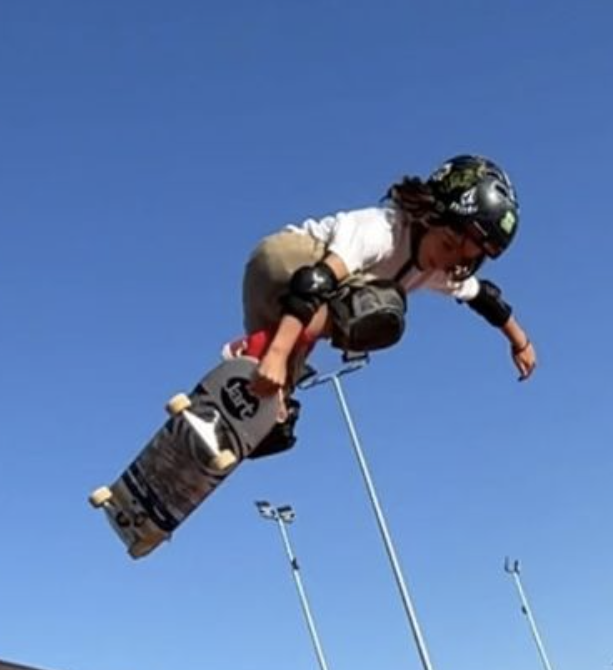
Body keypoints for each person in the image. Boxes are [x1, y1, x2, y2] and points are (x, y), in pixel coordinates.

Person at [224, 154, 537, 456]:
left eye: (459, 260)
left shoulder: (435, 270)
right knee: (379, 307)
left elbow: (484, 297)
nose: (445, 261)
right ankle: (258, 346)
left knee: (271, 422)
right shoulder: (383, 231)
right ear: (429, 216)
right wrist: (277, 353)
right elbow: (315, 281)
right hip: (285, 262)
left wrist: (519, 342)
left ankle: (213, 425)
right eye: (446, 245)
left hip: (298, 306)